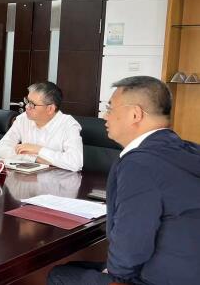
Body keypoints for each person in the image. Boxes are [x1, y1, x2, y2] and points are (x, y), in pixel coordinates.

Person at [48, 76, 200, 285]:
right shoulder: (189, 150)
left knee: (59, 275)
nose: (105, 116)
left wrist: (116, 275)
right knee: (78, 269)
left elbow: (131, 245)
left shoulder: (140, 163)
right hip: (186, 270)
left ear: (135, 114)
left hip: (161, 279)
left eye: (110, 109)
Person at [0, 81, 83, 171]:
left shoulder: (68, 125)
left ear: (50, 109)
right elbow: (0, 149)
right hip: (26, 177)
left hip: (57, 178)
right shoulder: (23, 119)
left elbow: (75, 162)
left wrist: (38, 150)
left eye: (32, 104)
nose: (27, 107)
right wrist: (35, 158)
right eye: (27, 101)